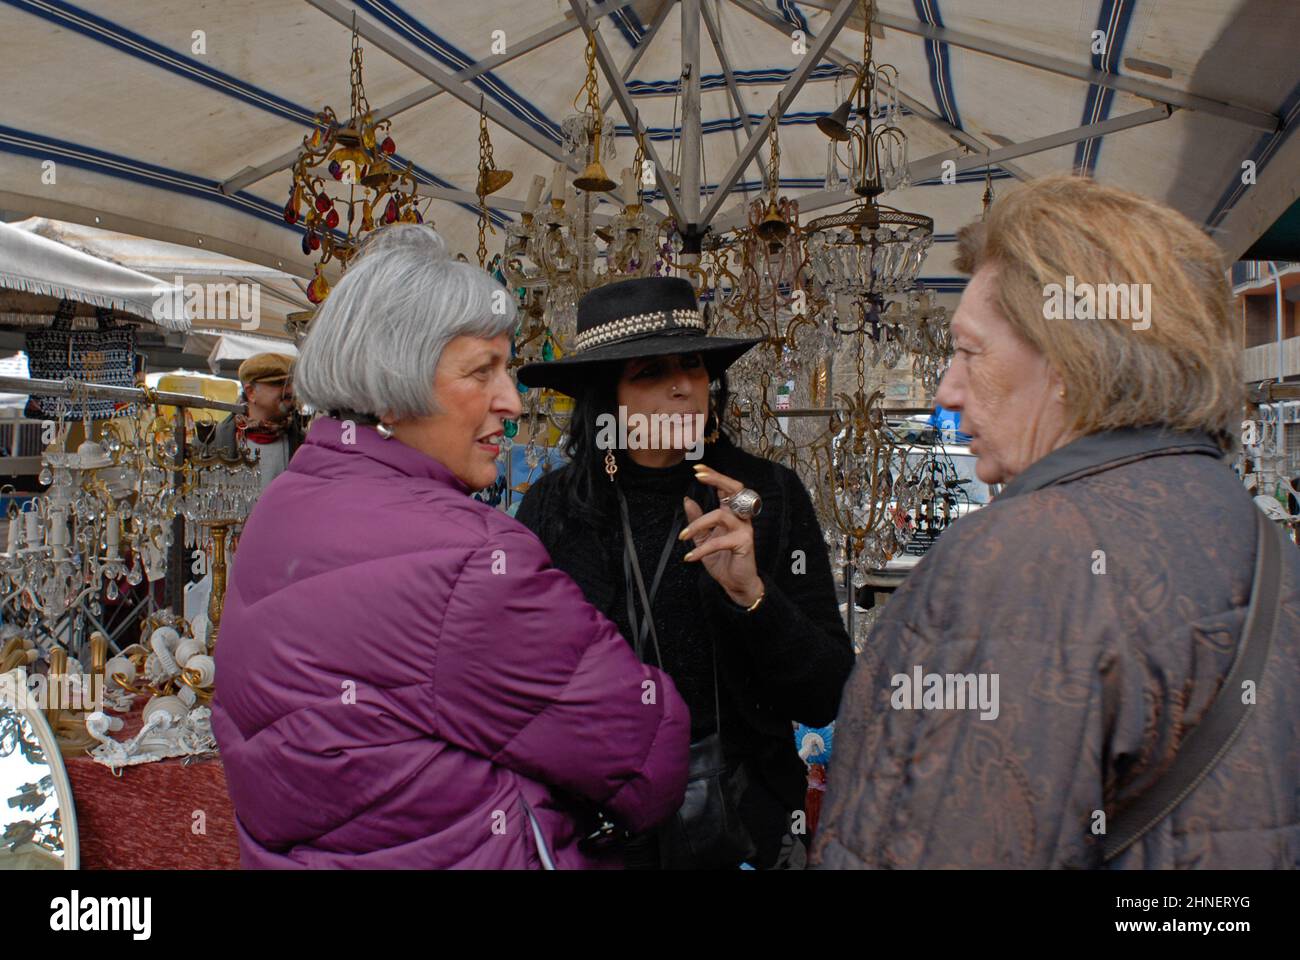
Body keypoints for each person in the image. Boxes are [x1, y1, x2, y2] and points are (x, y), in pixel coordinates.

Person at [813, 174, 1300, 869]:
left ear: (1071, 361)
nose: (948, 390)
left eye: (969, 352)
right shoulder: (1262, 543)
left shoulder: (1024, 559)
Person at [210, 226, 690, 869]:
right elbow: (646, 752)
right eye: (481, 371)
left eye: (508, 369)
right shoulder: (468, 559)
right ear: (392, 384)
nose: (512, 400)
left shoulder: (283, 505)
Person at [515, 276, 854, 870]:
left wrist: (752, 597)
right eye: (650, 372)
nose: (681, 387)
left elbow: (828, 691)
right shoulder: (555, 506)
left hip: (742, 825)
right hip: (596, 827)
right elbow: (519, 681)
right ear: (606, 394)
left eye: (693, 365)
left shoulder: (764, 495)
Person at [201, 351, 303, 490]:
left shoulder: (303, 443)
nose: (291, 391)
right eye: (280, 383)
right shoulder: (212, 441)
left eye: (292, 384)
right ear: (251, 392)